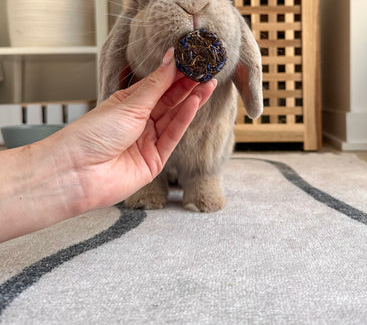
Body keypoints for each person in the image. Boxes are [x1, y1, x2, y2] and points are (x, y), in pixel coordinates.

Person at [0, 48, 216, 243]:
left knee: (208, 125)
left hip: (193, 129)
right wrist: (70, 169)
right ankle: (153, 183)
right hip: (144, 143)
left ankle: (203, 175)